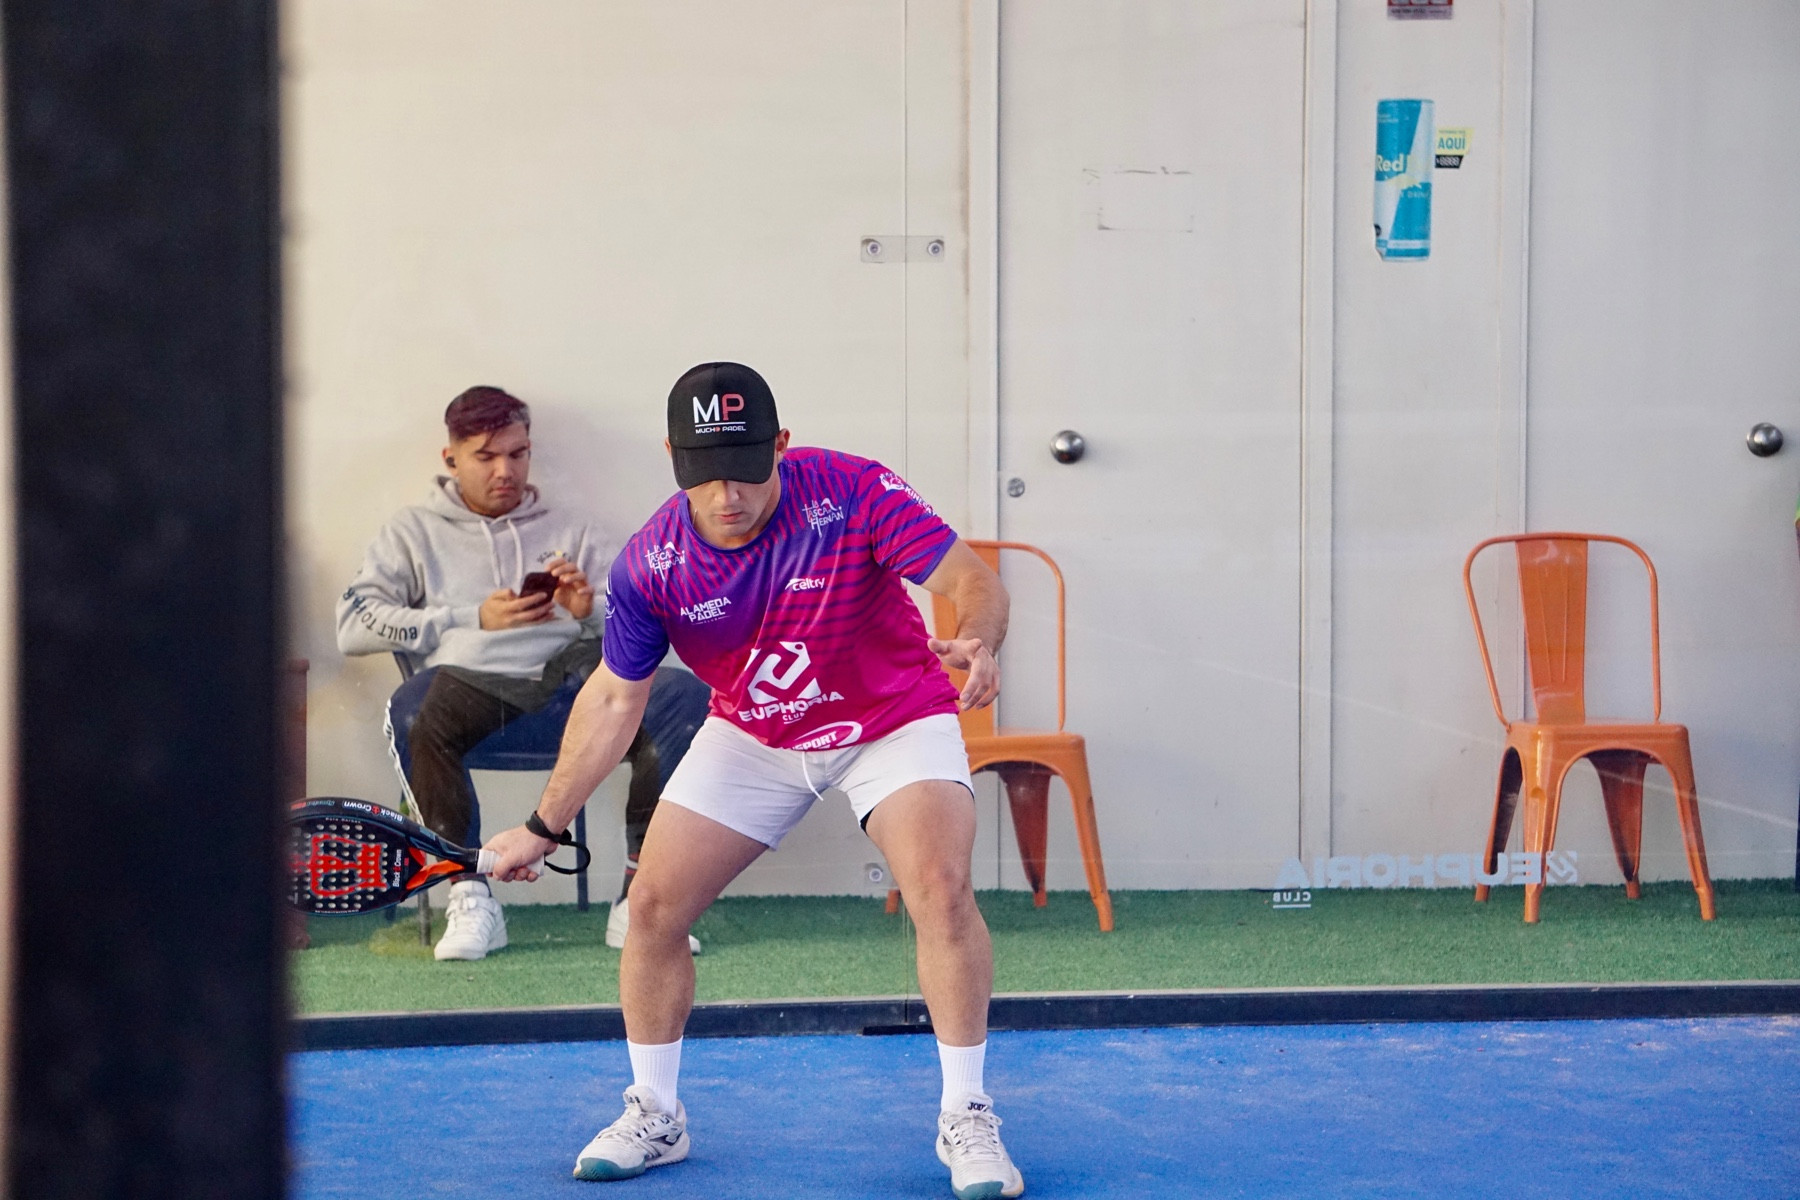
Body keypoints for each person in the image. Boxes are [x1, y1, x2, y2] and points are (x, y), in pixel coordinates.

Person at [484, 362, 1023, 1198]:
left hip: (891, 716)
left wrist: (980, 638)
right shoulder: (653, 563)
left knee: (941, 887)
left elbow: (971, 581)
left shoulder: (852, 490)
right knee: (652, 908)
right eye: (704, 473)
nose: (726, 494)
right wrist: (541, 826)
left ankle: (968, 1114)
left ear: (780, 445)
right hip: (757, 733)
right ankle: (656, 1113)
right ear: (673, 458)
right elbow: (615, 699)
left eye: (744, 467)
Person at [336, 385, 710, 962]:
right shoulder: (413, 530)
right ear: (451, 458)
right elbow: (352, 627)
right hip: (471, 691)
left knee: (683, 696)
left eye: (517, 453)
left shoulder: (575, 526)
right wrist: (471, 618)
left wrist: (591, 611)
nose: (505, 471)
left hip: (573, 691)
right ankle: (469, 897)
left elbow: (652, 618)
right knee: (411, 708)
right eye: (485, 456)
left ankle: (641, 902)